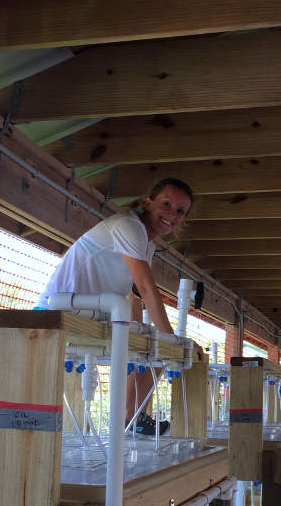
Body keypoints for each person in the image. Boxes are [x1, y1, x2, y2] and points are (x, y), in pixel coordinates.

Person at [36, 177, 200, 435]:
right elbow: (147, 288)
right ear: (148, 202)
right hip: (55, 313)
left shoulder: (147, 244)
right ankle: (129, 416)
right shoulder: (128, 226)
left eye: (180, 211)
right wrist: (175, 340)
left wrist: (145, 336)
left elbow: (134, 297)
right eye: (166, 204)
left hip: (88, 314)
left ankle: (132, 416)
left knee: (155, 350)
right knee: (163, 345)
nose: (172, 214)